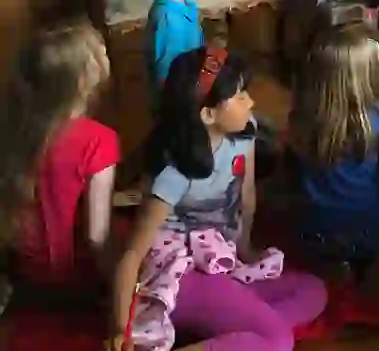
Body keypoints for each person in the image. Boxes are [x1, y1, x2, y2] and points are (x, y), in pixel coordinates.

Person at [108, 47, 326, 351]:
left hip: (220, 260)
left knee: (314, 291)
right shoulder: (175, 172)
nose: (250, 101)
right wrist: (122, 328)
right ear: (208, 114)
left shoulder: (244, 132)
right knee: (278, 340)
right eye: (239, 96)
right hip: (182, 272)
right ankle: (246, 332)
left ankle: (236, 330)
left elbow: (246, 196)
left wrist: (246, 249)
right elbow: (132, 253)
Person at [0, 24, 117, 301]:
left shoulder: (13, 131)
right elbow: (96, 237)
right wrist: (121, 286)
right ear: (83, 83)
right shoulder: (100, 140)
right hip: (78, 279)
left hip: (27, 273)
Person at [288, 20, 379, 290]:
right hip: (368, 226)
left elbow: (295, 165)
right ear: (369, 75)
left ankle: (335, 264)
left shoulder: (301, 119)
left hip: (316, 228)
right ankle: (378, 266)